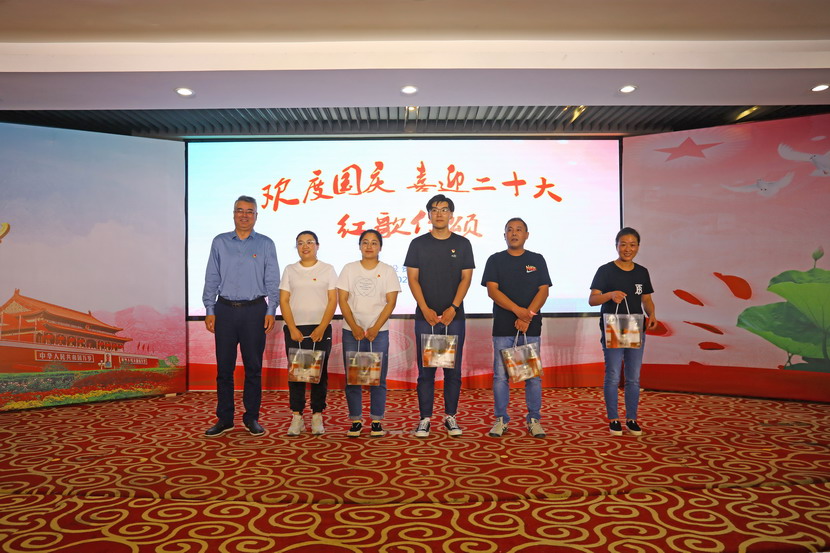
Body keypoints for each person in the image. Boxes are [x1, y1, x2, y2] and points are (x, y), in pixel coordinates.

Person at [202, 195, 280, 437]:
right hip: (224, 310)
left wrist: (271, 310)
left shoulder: (266, 244)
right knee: (224, 369)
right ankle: (225, 419)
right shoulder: (220, 242)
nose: (244, 215)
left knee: (253, 368)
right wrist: (209, 309)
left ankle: (251, 418)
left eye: (249, 211)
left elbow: (272, 280)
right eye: (240, 210)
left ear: (256, 216)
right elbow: (212, 277)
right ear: (233, 214)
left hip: (254, 311)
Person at [404, 194, 475, 438]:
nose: (439, 214)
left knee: (452, 369)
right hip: (426, 316)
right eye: (434, 210)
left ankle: (450, 416)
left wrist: (453, 307)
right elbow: (412, 279)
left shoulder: (463, 244)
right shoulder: (418, 244)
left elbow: (466, 278)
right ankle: (424, 418)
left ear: (451, 214)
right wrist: (424, 308)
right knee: (426, 370)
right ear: (429, 215)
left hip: (454, 316)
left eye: (444, 209)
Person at [481, 217, 551, 438]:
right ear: (504, 235)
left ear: (526, 235)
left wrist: (527, 316)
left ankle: (534, 419)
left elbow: (543, 291)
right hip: (503, 327)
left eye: (519, 230)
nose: (514, 233)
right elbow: (492, 291)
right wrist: (518, 311)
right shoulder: (495, 260)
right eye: (510, 230)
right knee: (501, 377)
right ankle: (501, 419)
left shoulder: (537, 259)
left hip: (530, 327)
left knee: (533, 377)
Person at [589, 227, 658, 436]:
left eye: (632, 245)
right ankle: (614, 419)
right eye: (624, 244)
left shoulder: (642, 272)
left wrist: (652, 314)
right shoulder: (605, 270)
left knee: (633, 377)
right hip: (613, 327)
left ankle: (632, 418)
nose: (628, 249)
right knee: (612, 375)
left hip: (636, 327)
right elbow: (593, 300)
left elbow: (646, 299)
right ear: (616, 245)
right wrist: (610, 295)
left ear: (638, 247)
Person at [337, 229, 401, 438]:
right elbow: (342, 300)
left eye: (374, 242)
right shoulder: (349, 269)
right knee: (353, 378)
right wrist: (354, 326)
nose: (369, 246)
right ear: (359, 246)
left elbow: (391, 302)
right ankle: (356, 420)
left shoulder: (388, 271)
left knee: (378, 378)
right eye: (365, 242)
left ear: (380, 247)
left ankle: (376, 421)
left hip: (378, 332)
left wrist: (375, 328)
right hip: (351, 331)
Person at [280, 230, 338, 436]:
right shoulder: (290, 270)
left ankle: (317, 415)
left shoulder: (327, 269)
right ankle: (297, 416)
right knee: (296, 375)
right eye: (300, 243)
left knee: (319, 374)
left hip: (320, 328)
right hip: (295, 328)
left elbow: (333, 300)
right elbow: (284, 300)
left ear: (317, 246)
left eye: (309, 242)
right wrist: (292, 328)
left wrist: (322, 327)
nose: (305, 246)